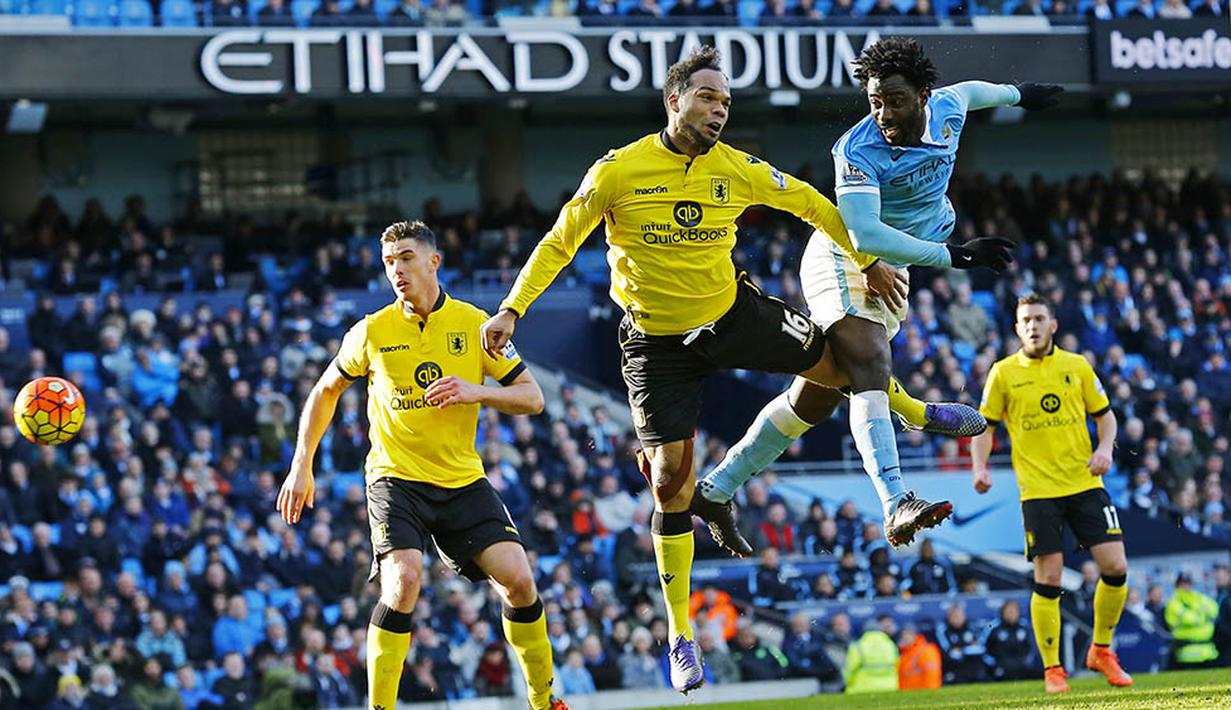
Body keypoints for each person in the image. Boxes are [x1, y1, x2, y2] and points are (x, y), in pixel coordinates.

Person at [480, 45, 984, 693]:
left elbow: (808, 202)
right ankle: (679, 634)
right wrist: (511, 310)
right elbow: (558, 241)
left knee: (847, 363)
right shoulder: (618, 171)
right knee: (667, 485)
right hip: (656, 346)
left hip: (732, 315)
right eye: (707, 97)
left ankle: (914, 413)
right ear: (673, 101)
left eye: (725, 101)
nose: (719, 110)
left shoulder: (737, 169)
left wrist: (862, 258)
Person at [698, 37, 1064, 551]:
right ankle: (897, 500)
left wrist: (1018, 94)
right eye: (874, 101)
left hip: (902, 260)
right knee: (869, 358)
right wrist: (956, 256)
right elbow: (865, 235)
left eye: (894, 100)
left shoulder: (947, 108)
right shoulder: (857, 148)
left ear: (922, 94)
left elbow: (973, 92)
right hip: (844, 257)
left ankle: (717, 488)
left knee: (817, 397)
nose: (883, 112)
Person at [277, 221, 567, 710]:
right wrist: (301, 463)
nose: (396, 270)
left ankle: (544, 701)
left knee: (519, 580)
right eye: (389, 262)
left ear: (434, 262)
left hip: (461, 480)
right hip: (396, 478)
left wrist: (476, 390)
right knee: (405, 578)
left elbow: (533, 397)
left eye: (406, 258)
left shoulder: (476, 326)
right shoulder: (371, 331)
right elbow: (324, 390)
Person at [972, 293, 1131, 694]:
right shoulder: (1003, 373)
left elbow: (1106, 416)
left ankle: (1101, 650)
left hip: (1084, 483)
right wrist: (980, 466)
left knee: (1115, 567)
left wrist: (1104, 449)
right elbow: (984, 426)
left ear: (1053, 324)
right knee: (1050, 578)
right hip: (1039, 491)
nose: (1032, 326)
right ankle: (1053, 670)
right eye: (1025, 320)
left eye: (1039, 318)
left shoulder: (1076, 366)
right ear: (1016, 328)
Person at [1165, 572, 1220, 668]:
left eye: (1188, 583)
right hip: (1187, 653)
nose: (1186, 586)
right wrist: (1202, 615)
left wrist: (1199, 615)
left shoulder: (1198, 597)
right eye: (1183, 584)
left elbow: (1214, 609)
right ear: (1177, 585)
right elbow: (1190, 619)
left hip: (1207, 651)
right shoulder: (1173, 602)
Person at [844, 618, 899, 694]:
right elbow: (897, 665)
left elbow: (849, 670)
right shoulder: (890, 644)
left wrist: (848, 684)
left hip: (862, 688)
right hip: (889, 687)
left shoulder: (858, 646)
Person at [896, 623, 940, 690]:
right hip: (906, 695)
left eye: (909, 634)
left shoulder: (926, 650)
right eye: (903, 635)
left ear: (916, 635)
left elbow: (932, 675)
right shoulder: (903, 654)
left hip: (921, 694)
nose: (906, 637)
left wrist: (930, 694)